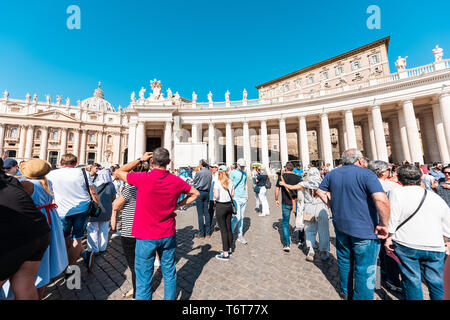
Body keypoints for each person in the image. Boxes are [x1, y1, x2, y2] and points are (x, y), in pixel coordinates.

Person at [115, 148, 199, 300]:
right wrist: (178, 205)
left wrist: (140, 160)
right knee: (169, 272)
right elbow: (195, 193)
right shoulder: (176, 180)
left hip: (145, 235)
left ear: (152, 161)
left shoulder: (142, 178)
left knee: (143, 278)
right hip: (167, 233)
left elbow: (118, 172)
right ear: (168, 162)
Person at [316, 149, 390, 300]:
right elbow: (381, 200)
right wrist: (384, 223)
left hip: (341, 225)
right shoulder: (367, 174)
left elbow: (319, 191)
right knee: (366, 266)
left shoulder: (332, 174)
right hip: (365, 228)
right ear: (359, 160)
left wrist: (331, 204)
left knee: (344, 260)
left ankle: (346, 292)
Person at [385, 164, 450, 300]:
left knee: (412, 281)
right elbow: (447, 225)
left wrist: (388, 238)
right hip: (435, 246)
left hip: (407, 244)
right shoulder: (434, 197)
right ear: (420, 178)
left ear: (400, 179)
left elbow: (393, 219)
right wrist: (445, 242)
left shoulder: (396, 193)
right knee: (437, 282)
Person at [0, 158, 50, 300]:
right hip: (39, 230)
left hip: (14, 236)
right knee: (25, 284)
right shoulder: (14, 181)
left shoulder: (23, 182)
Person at [18, 159, 68, 300]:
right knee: (45, 257)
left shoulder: (26, 184)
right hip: (49, 218)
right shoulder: (47, 182)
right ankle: (40, 293)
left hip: (34, 218)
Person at [46, 154, 100, 273]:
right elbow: (93, 192)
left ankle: (67, 264)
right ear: (76, 163)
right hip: (83, 209)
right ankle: (71, 267)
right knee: (77, 238)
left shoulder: (51, 174)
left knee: (64, 237)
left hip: (62, 210)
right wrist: (98, 205)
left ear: (60, 162)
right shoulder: (83, 173)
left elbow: (48, 192)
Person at [111, 161, 150, 299]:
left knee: (134, 265)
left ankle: (137, 292)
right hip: (147, 230)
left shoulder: (130, 189)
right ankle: (144, 288)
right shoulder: (151, 187)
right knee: (144, 262)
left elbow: (116, 206)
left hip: (130, 230)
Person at [280, 167, 330, 261]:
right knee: (324, 231)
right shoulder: (323, 183)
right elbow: (328, 195)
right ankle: (324, 252)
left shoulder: (304, 184)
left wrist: (284, 184)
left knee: (310, 230)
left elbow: (292, 187)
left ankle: (311, 250)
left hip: (309, 208)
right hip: (321, 208)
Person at [368, 160, 402, 292]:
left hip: (370, 224)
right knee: (390, 254)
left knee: (374, 255)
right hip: (388, 225)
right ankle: (392, 280)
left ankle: (374, 282)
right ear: (383, 172)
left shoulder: (363, 184)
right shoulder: (393, 187)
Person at [84, 169, 116, 261]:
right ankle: (102, 247)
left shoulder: (93, 185)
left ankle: (93, 249)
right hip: (106, 210)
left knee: (92, 230)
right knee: (104, 229)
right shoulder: (111, 185)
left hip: (94, 210)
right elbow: (113, 197)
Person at [275, 162, 302, 252]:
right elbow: (301, 189)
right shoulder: (298, 177)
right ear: (293, 168)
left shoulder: (282, 177)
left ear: (286, 168)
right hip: (296, 202)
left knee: (285, 223)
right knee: (299, 221)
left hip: (286, 202)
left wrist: (276, 199)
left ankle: (287, 244)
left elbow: (277, 189)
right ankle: (301, 240)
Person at [213, 165, 235, 261]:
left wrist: (214, 192)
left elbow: (216, 196)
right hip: (229, 206)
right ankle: (230, 248)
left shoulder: (217, 182)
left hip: (220, 206)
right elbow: (233, 194)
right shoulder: (230, 181)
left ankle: (225, 253)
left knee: (223, 230)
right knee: (229, 227)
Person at [230, 158, 249, 245]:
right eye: (241, 166)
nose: (242, 168)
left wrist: (247, 194)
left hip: (243, 197)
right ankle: (230, 232)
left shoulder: (245, 173)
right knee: (237, 217)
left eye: (243, 166)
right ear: (237, 165)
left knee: (242, 217)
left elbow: (245, 184)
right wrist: (231, 195)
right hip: (236, 197)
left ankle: (240, 235)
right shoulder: (233, 172)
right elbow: (230, 184)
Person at [193, 160, 213, 239]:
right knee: (206, 213)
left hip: (200, 192)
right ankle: (208, 233)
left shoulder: (199, 172)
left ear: (201, 164)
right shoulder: (209, 172)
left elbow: (194, 181)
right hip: (206, 193)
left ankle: (201, 234)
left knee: (200, 214)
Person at [208, 164, 219, 232]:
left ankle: (218, 225)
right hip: (211, 196)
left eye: (213, 167)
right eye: (211, 167)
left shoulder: (218, 175)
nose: (212, 168)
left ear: (216, 168)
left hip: (216, 197)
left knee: (217, 212)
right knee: (210, 211)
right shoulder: (212, 175)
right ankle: (209, 223)